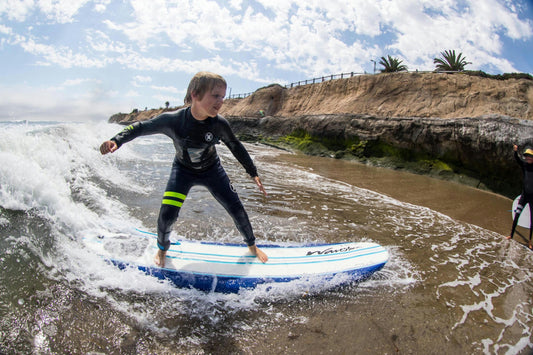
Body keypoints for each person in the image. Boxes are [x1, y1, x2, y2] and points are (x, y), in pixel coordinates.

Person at [100, 72, 269, 266]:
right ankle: (163, 250)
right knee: (167, 214)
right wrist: (116, 140)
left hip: (212, 171)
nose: (220, 101)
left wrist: (252, 172)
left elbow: (235, 146)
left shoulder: (219, 124)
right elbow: (139, 127)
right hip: (183, 171)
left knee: (237, 209)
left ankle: (252, 246)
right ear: (195, 94)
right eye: (215, 96)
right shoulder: (174, 121)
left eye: (222, 97)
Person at [506, 144, 533, 249]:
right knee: (517, 215)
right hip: (524, 196)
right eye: (526, 156)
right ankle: (511, 235)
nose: (527, 158)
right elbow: (517, 159)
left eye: (529, 156)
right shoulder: (525, 166)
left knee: (532, 220)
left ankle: (530, 241)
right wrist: (515, 151)